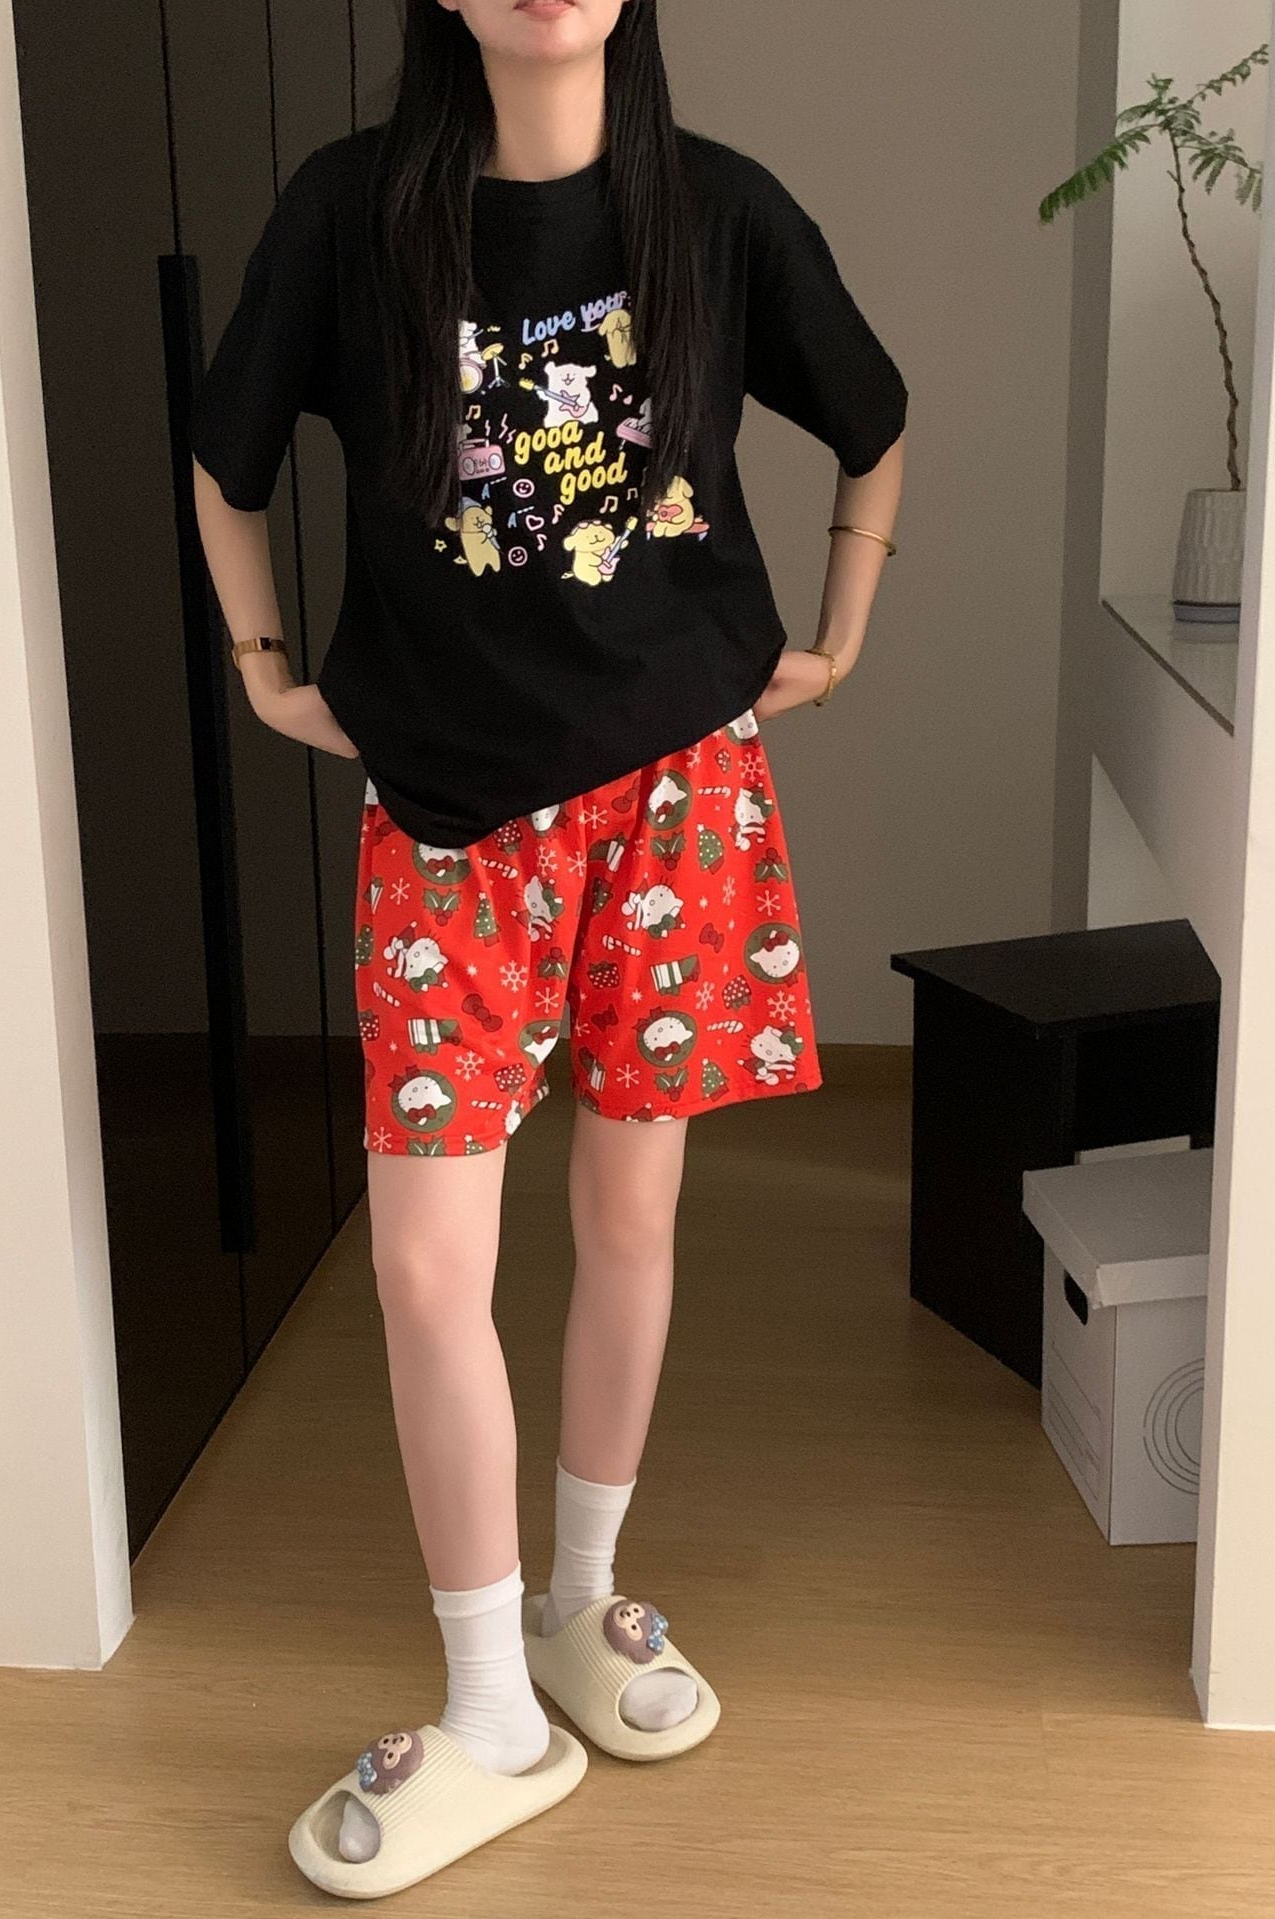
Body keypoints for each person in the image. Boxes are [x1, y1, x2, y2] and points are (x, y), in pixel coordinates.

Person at [189, 0, 905, 1897]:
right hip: (449, 818)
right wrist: (266, 671)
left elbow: (874, 417)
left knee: (631, 1220)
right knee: (428, 1266)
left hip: (676, 797)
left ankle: (582, 1601)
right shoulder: (349, 215)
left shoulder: (718, 213)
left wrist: (837, 633)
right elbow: (226, 457)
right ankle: (493, 1702)